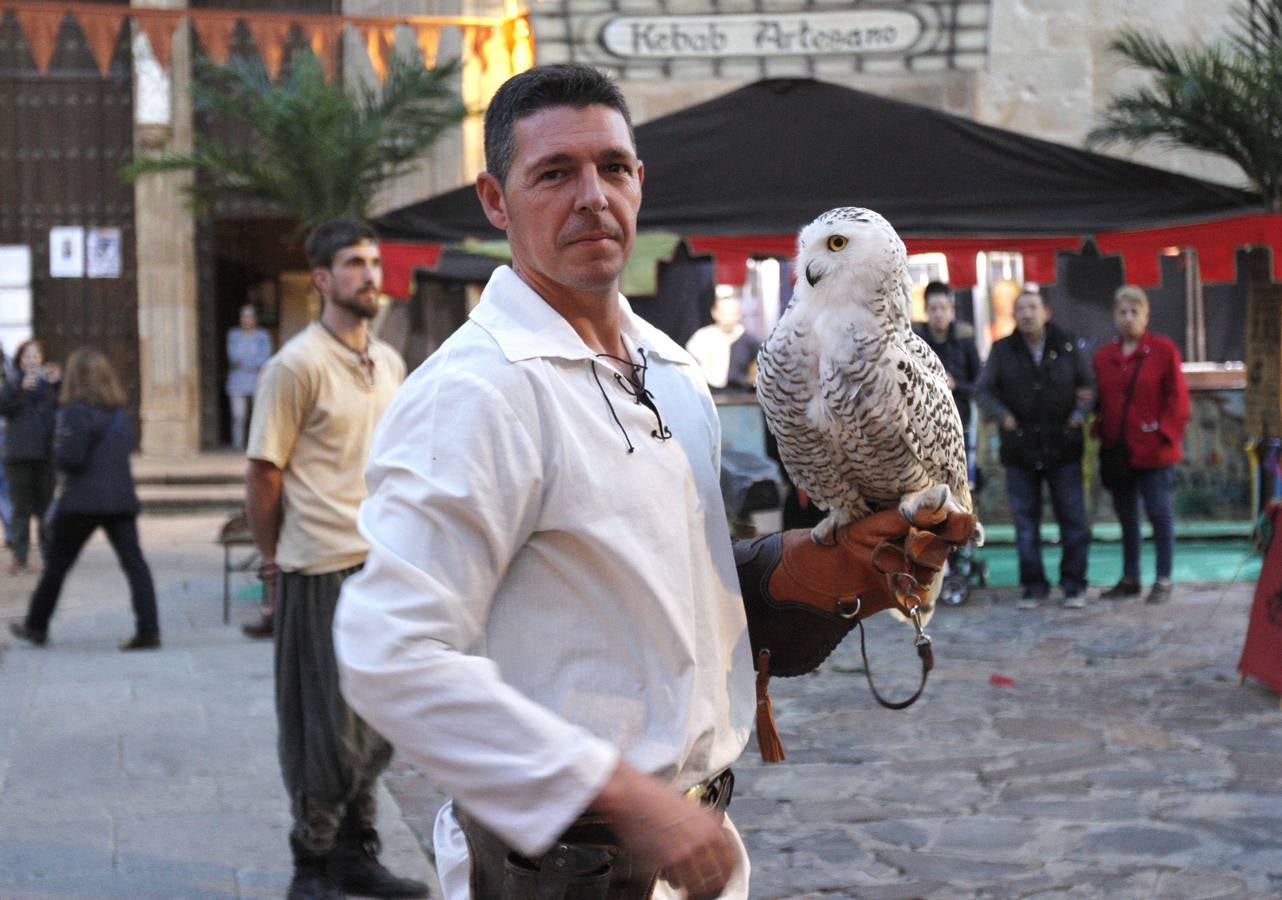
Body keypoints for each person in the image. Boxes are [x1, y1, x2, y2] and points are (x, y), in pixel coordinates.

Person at [333, 64, 972, 900]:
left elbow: (655, 588)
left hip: (696, 848)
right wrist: (620, 795)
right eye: (555, 173)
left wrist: (802, 569)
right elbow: (391, 653)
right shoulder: (474, 393)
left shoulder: (670, 367)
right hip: (558, 870)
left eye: (613, 168)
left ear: (641, 181)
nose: (592, 196)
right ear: (495, 200)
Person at [243, 218, 421, 900]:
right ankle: (310, 865)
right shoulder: (295, 365)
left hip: (382, 566)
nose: (369, 274)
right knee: (326, 725)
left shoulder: (391, 363)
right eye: (353, 263)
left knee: (378, 718)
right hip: (317, 565)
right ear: (322, 279)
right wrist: (271, 561)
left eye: (373, 261)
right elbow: (264, 472)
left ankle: (356, 853)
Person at [8, 348, 159, 651]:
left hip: (82, 501)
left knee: (58, 564)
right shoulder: (119, 413)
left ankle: (36, 625)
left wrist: (57, 450)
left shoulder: (76, 411)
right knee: (135, 564)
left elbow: (71, 459)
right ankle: (149, 629)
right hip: (119, 499)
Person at [975, 288, 1095, 610]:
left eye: (1033, 307)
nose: (1027, 314)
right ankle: (1034, 586)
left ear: (1047, 311)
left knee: (1073, 520)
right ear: (1014, 315)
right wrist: (1003, 417)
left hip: (1064, 447)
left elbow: (1090, 387)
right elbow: (982, 391)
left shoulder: (1068, 345)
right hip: (1021, 450)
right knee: (1025, 524)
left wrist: (1078, 416)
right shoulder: (1002, 350)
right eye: (1021, 308)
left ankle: (1074, 586)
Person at [1092, 285, 1190, 604]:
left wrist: (1164, 433)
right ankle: (1131, 576)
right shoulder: (1103, 358)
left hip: (1156, 452)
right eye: (1122, 312)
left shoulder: (1163, 351)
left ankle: (1163, 578)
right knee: (1126, 517)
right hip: (1119, 451)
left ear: (1146, 316)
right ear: (1113, 316)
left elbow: (1178, 398)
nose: (1128, 318)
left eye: (1135, 312)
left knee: (1160, 514)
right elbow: (1098, 400)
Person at [0, 338, 60, 574]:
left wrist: (58, 384)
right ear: (20, 361)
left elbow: (62, 407)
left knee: (46, 508)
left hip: (45, 455)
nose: (31, 360)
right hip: (18, 456)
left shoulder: (51, 385)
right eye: (27, 356)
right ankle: (20, 557)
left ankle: (49, 555)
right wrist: (20, 390)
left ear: (42, 360)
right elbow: (3, 407)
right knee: (20, 509)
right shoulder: (12, 385)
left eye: (36, 356)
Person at [913, 281, 981, 469]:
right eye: (933, 309)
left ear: (951, 309)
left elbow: (980, 385)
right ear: (926, 310)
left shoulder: (965, 338)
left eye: (943, 308)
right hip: (923, 429)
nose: (938, 314)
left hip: (960, 427)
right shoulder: (916, 340)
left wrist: (955, 385)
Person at [684, 292, 759, 390]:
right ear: (714, 313)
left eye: (732, 314)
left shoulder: (749, 342)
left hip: (740, 397)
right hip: (708, 395)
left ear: (739, 314)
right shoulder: (701, 338)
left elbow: (756, 372)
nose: (728, 318)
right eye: (724, 313)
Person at [226, 303, 273, 450]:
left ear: (255, 319)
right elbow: (233, 356)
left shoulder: (262, 336)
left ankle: (256, 448)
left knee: (258, 416)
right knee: (238, 415)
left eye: (250, 316)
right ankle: (238, 446)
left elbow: (265, 358)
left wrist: (246, 362)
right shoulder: (233, 335)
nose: (247, 319)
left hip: (257, 380)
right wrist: (253, 361)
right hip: (237, 381)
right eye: (244, 316)